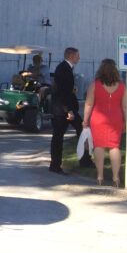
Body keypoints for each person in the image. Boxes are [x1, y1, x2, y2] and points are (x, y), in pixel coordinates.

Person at [82, 59, 126, 187]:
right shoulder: (122, 86)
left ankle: (100, 176)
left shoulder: (95, 85)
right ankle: (116, 178)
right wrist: (126, 121)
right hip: (116, 119)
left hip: (98, 119)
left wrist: (85, 120)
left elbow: (89, 104)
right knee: (114, 147)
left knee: (99, 146)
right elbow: (125, 107)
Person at [48, 46, 83, 175]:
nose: (79, 58)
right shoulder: (64, 69)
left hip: (63, 107)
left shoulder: (64, 68)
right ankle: (56, 164)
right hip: (63, 109)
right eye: (77, 55)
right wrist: (69, 110)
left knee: (62, 135)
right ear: (71, 56)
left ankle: (56, 164)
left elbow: (64, 89)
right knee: (59, 136)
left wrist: (72, 91)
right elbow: (62, 92)